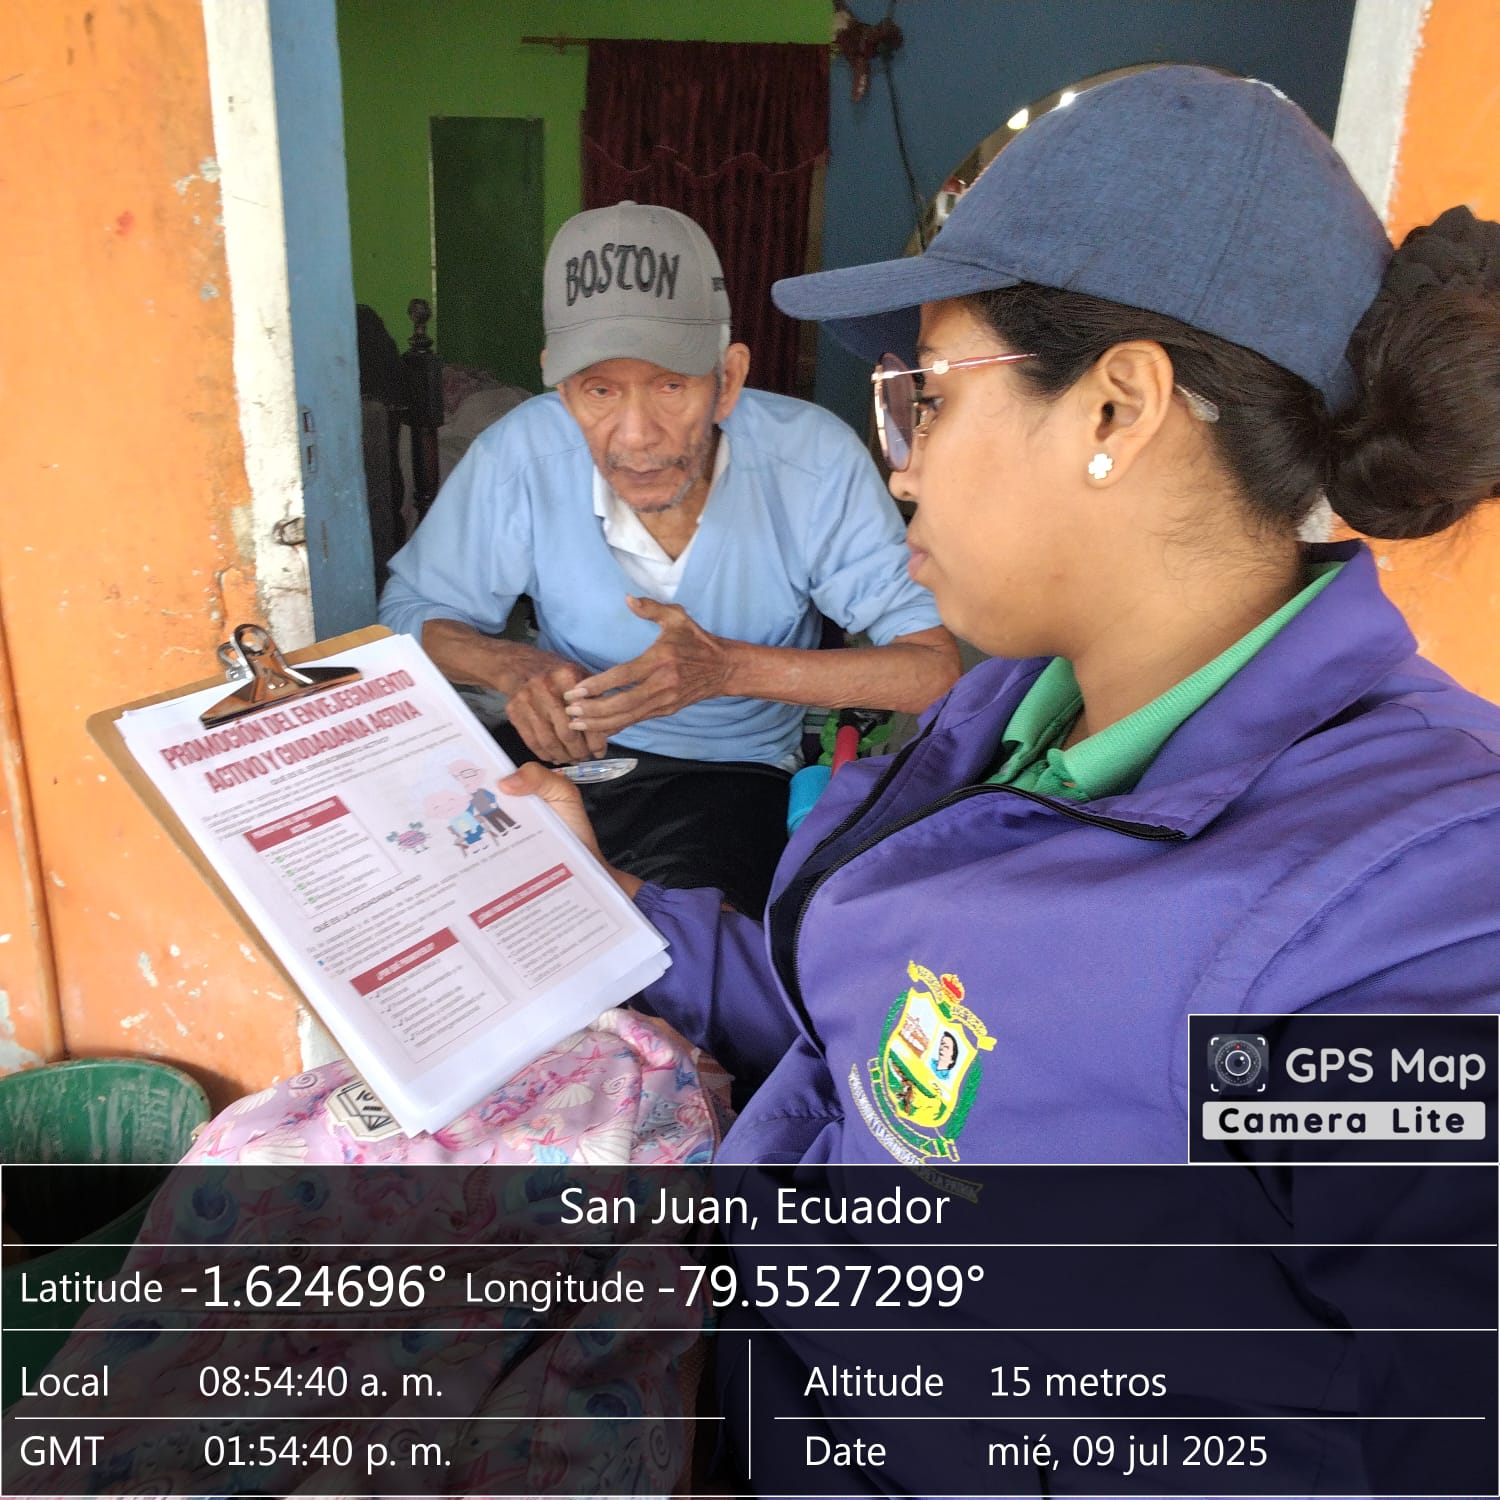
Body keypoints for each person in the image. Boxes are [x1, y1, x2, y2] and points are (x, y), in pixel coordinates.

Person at [493, 66, 1500, 1495]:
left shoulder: (1414, 913)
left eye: (924, 396)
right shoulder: (1015, 713)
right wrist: (604, 899)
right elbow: (856, 1008)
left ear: (1117, 409)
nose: (900, 472)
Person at [380, 201, 959, 916]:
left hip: (728, 773)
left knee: (688, 946)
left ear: (729, 379)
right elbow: (406, 618)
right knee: (429, 899)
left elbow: (935, 671)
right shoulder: (521, 451)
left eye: (670, 386)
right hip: (561, 753)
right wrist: (511, 666)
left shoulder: (811, 461)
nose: (635, 436)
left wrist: (728, 669)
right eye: (598, 390)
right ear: (559, 387)